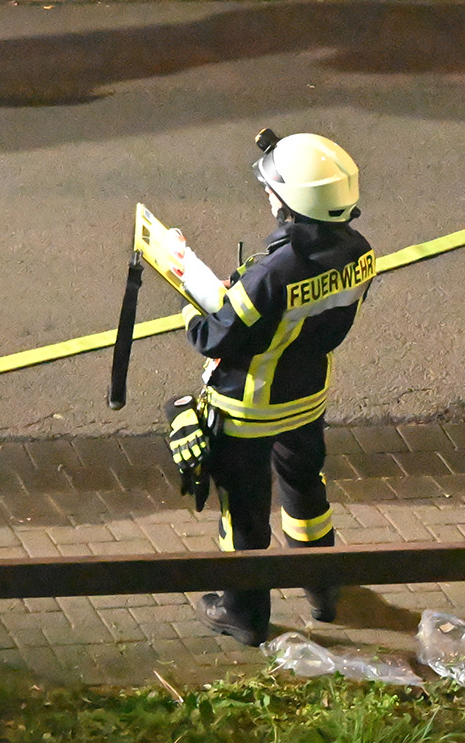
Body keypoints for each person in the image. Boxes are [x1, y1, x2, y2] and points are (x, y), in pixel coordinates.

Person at [184, 130, 375, 646]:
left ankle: (243, 613)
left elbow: (214, 336)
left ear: (295, 201)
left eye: (273, 187)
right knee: (305, 488)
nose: (268, 193)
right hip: (307, 397)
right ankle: (322, 587)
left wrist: (190, 305)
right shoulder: (360, 252)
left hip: (249, 408)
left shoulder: (273, 272)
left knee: (244, 513)